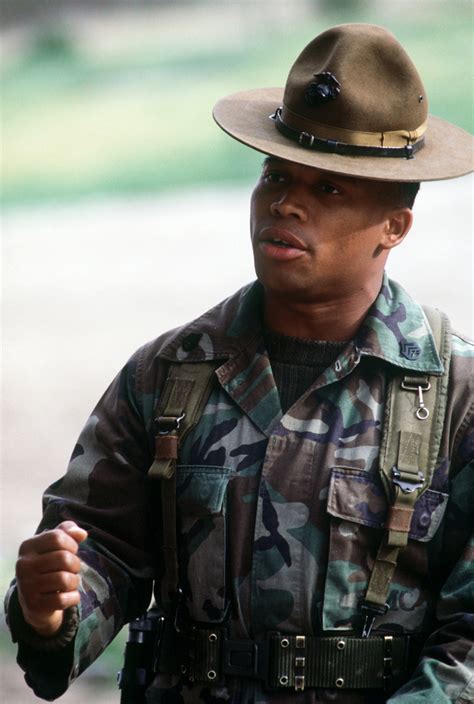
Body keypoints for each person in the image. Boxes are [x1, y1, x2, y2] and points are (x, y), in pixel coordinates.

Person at [5, 23, 473, 704]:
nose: (287, 203)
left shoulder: (454, 396)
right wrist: (53, 609)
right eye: (277, 176)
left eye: (330, 190)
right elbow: (101, 545)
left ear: (394, 227)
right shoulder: (168, 374)